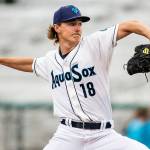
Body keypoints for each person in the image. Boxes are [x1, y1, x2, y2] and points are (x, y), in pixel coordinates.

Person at [0, 4, 150, 150]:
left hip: (103, 135)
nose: (78, 28)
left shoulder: (95, 43)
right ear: (56, 27)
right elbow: (30, 64)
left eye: (79, 24)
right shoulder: (50, 60)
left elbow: (131, 25)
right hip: (68, 135)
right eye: (72, 23)